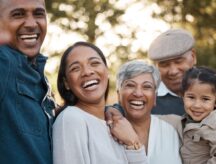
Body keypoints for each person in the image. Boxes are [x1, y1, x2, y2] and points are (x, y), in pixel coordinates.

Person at [53, 41, 148, 164]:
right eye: (75, 68)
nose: (87, 72)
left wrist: (132, 141)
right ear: (66, 83)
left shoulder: (117, 124)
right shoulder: (71, 119)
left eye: (94, 63)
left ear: (106, 71)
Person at [0, 0, 55, 163]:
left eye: (39, 14)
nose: (31, 24)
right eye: (18, 14)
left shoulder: (37, 74)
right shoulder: (3, 61)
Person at [108, 60, 182, 164]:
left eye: (147, 86)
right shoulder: (107, 132)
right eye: (130, 85)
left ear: (155, 97)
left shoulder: (171, 131)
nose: (138, 93)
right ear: (118, 94)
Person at [160, 66, 216, 164]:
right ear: (183, 97)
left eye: (205, 99)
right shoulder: (184, 120)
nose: (197, 105)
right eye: (191, 97)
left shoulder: (213, 122)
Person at [148, 28, 197, 115]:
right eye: (164, 64)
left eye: (179, 61)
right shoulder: (147, 102)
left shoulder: (213, 88)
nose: (173, 71)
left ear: (193, 57)